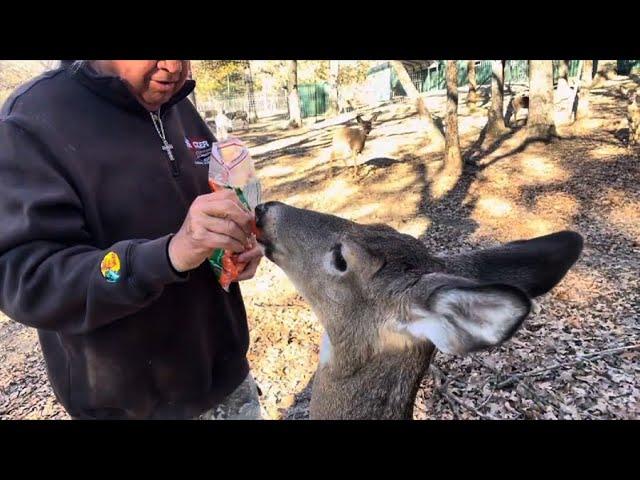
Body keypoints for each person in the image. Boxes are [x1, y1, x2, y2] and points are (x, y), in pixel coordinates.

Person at [0, 60, 264, 420]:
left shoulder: (176, 104)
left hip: (228, 381)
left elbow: (213, 204)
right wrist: (165, 257)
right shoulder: (33, 122)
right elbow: (28, 279)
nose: (174, 66)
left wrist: (236, 245)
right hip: (131, 409)